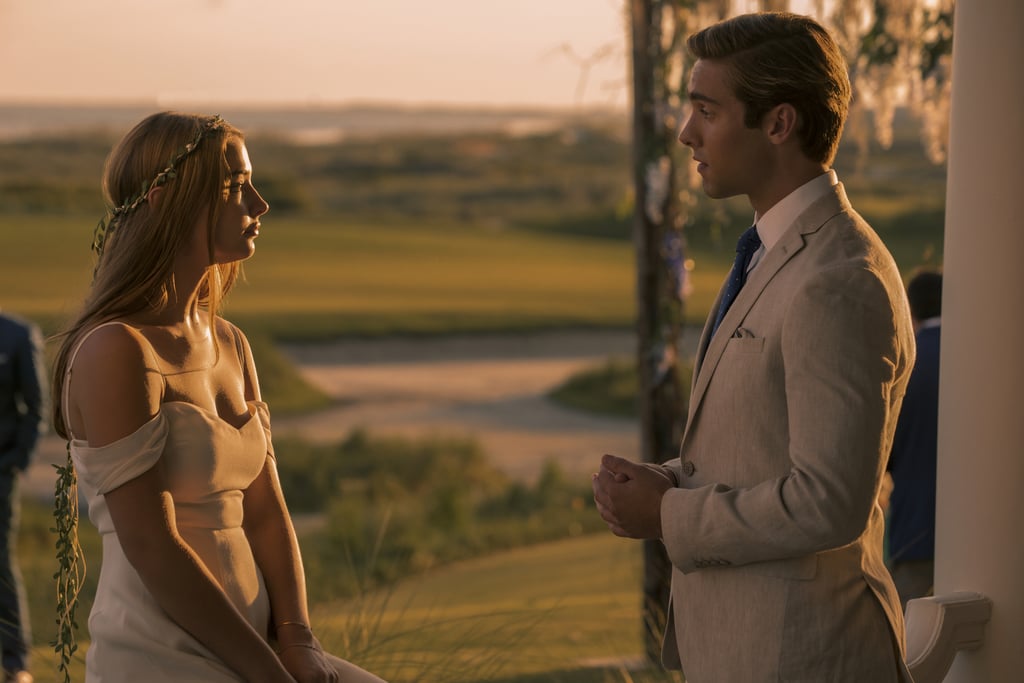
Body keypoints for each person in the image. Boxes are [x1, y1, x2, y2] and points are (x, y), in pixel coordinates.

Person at [592, 12, 916, 682]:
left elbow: (828, 499)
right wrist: (672, 478)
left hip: (803, 656)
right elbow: (766, 447)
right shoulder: (770, 255)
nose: (687, 133)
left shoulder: (837, 281)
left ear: (779, 123)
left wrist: (669, 514)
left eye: (706, 110)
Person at [50, 112, 387, 683]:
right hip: (161, 657)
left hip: (260, 650)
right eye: (234, 187)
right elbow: (154, 548)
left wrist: (298, 640)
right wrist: (268, 673)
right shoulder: (117, 351)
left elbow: (266, 510)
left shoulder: (230, 342)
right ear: (165, 199)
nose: (259, 204)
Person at [886, 267, 942, 608]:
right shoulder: (986, 358)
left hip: (915, 528)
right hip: (984, 538)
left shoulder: (905, 361)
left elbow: (882, 446)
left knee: (915, 647)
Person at [0, 310, 45, 683]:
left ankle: (16, 662)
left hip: (0, 471)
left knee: (0, 561)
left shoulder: (17, 335)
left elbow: (35, 407)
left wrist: (16, 462)